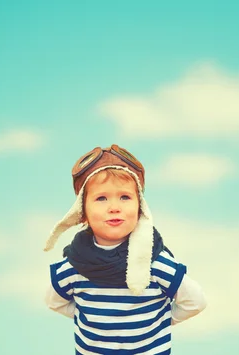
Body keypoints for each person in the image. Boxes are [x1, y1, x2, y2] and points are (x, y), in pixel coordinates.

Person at [43, 144, 207, 354]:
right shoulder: (73, 268)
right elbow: (53, 301)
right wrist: (94, 318)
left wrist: (159, 319)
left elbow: (196, 301)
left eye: (125, 197)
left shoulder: (156, 264)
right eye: (101, 198)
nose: (114, 207)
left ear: (140, 207)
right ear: (82, 212)